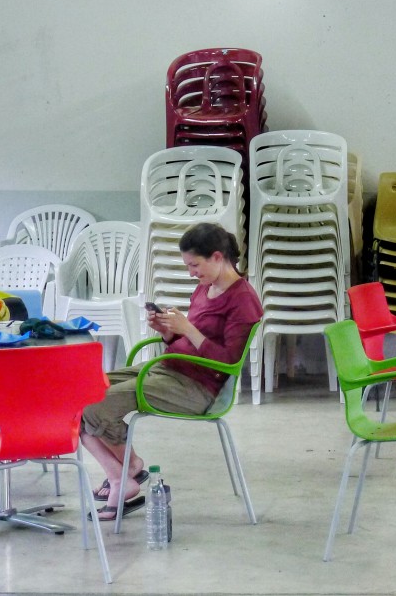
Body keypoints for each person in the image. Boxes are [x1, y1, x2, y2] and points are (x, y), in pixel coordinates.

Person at [81, 223, 263, 520]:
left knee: (95, 405)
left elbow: (229, 360)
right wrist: (167, 332)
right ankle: (127, 471)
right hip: (168, 369)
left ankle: (121, 479)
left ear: (218, 257)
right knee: (81, 389)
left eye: (195, 265)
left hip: (197, 387)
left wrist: (187, 329)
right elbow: (187, 341)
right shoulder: (205, 288)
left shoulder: (243, 300)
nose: (192, 272)